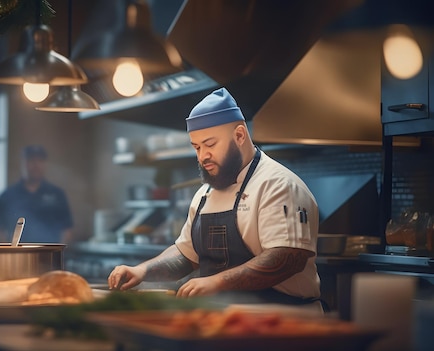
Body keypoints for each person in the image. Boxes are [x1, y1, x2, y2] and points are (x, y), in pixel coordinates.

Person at [108, 87, 322, 309]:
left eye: (210, 144)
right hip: (223, 322)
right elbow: (186, 254)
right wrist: (141, 271)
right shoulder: (204, 195)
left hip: (283, 325)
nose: (203, 156)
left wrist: (217, 282)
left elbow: (286, 259)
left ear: (239, 135)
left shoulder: (278, 185)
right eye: (197, 147)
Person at [0, 145, 73, 243]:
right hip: (17, 255)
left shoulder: (57, 195)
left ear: (45, 164)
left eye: (40, 160)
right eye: (31, 160)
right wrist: (8, 254)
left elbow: (66, 230)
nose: (36, 165)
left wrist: (58, 253)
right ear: (23, 163)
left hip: (49, 255)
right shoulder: (7, 196)